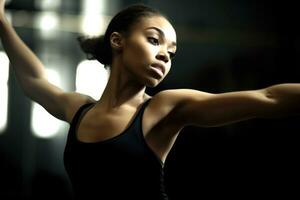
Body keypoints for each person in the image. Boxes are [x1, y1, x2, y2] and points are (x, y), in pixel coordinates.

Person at [1, 1, 299, 199]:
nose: (164, 56)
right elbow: (34, 80)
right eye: (154, 41)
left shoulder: (163, 108)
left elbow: (268, 97)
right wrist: (1, 21)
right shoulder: (78, 109)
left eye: (171, 53)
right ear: (117, 41)